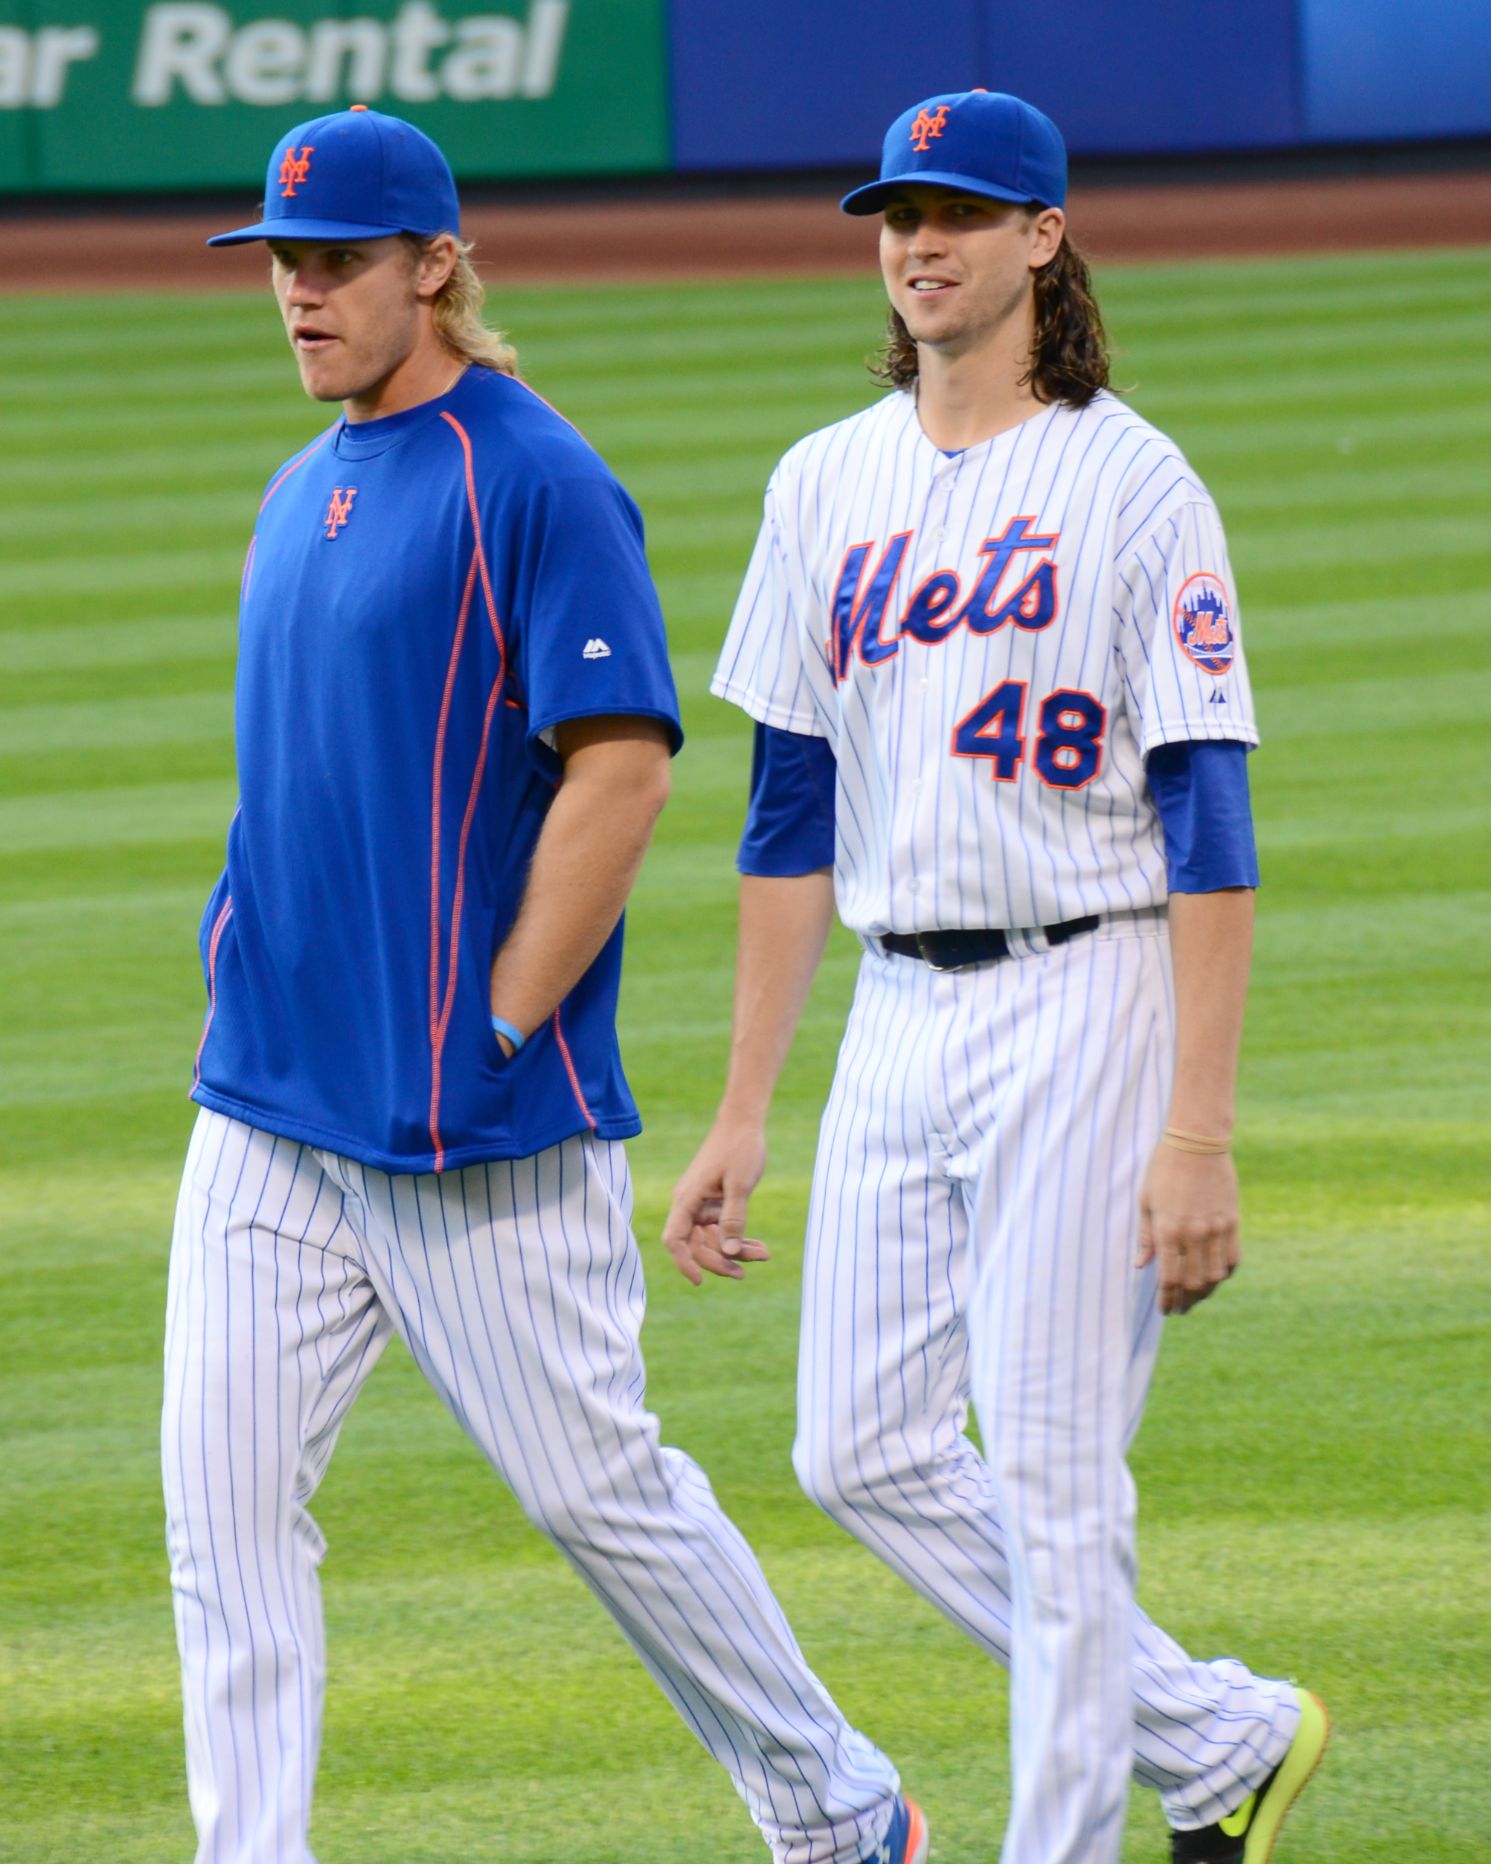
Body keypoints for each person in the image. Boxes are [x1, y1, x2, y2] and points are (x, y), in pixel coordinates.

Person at [164, 105, 929, 1864]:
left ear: (436, 264)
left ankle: (837, 1810)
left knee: (602, 1495)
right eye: (280, 263)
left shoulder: (535, 475)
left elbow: (624, 766)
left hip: (472, 1131)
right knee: (223, 1519)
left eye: (336, 262)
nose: (298, 294)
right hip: (271, 1112)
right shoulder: (306, 485)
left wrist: (498, 1018)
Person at [664, 90, 1328, 1864]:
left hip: (1087, 998)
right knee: (854, 1450)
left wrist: (1200, 1127)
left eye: (959, 212)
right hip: (898, 1007)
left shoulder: (1133, 481)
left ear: (1043, 237)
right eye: (899, 213)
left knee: (1049, 1477)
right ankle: (1218, 1737)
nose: (920, 242)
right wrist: (745, 1110)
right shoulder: (825, 480)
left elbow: (1209, 816)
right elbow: (788, 813)